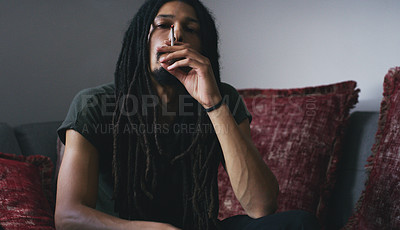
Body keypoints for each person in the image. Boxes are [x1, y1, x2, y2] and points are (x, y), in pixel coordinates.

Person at [55, 0, 320, 229]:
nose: (176, 34)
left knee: (298, 224)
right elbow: (68, 217)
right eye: (162, 25)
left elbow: (261, 206)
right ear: (141, 40)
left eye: (191, 29)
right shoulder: (95, 104)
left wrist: (213, 104)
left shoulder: (223, 97)